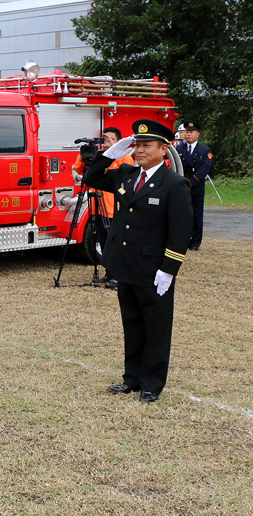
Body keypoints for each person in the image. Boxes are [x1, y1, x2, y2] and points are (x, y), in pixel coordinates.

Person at [83, 119, 192, 403]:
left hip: (153, 270)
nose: (140, 150)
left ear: (164, 149)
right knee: (131, 324)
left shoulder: (174, 184)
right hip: (125, 265)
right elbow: (91, 178)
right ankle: (131, 379)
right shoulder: (127, 174)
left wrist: (169, 270)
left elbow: (180, 233)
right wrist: (109, 154)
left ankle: (152, 383)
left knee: (156, 328)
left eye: (146, 145)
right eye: (137, 145)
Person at [73, 127, 135, 286]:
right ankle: (109, 273)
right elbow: (82, 170)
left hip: (113, 207)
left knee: (114, 242)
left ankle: (117, 275)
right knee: (104, 241)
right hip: (98, 207)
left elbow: (122, 178)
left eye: (109, 139)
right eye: (104, 139)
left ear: (118, 142)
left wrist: (110, 156)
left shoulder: (125, 158)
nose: (105, 142)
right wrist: (84, 156)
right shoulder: (100, 157)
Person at [175, 120, 212, 251]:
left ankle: (195, 242)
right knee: (182, 214)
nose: (188, 134)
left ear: (198, 134)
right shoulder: (178, 148)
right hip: (181, 186)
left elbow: (205, 168)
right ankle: (182, 240)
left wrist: (193, 181)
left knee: (196, 214)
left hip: (196, 187)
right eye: (186, 132)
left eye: (191, 132)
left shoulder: (205, 150)